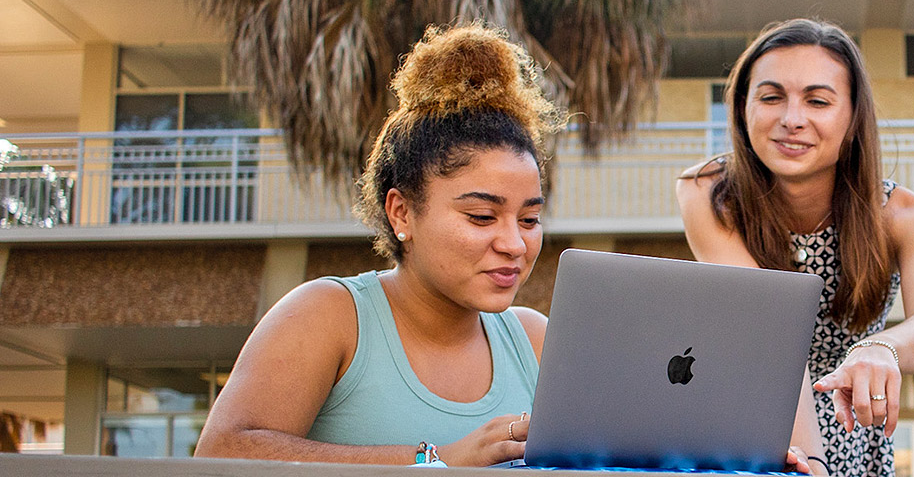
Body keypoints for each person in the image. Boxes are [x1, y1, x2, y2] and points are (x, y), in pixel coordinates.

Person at [194, 24, 829, 471]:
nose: (512, 244)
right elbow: (222, 452)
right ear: (401, 212)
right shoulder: (332, 316)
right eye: (480, 215)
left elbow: (623, 450)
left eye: (530, 219)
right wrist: (434, 459)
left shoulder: (531, 337)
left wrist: (740, 458)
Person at [677, 18, 914, 477]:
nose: (792, 119)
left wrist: (880, 348)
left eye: (818, 101)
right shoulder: (707, 192)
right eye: (771, 97)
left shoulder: (907, 215)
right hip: (752, 423)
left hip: (852, 429)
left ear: (851, 117)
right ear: (742, 108)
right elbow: (771, 333)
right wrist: (811, 462)